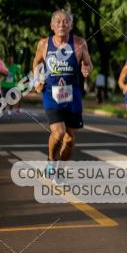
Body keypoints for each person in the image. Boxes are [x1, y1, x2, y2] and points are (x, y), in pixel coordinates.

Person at [32, 10, 92, 170]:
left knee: (70, 139)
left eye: (66, 21)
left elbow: (88, 63)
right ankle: (51, 160)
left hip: (73, 97)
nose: (62, 24)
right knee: (58, 133)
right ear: (52, 26)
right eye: (58, 21)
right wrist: (37, 80)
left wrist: (86, 68)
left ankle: (60, 169)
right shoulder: (44, 44)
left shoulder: (79, 43)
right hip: (51, 95)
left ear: (71, 25)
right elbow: (37, 63)